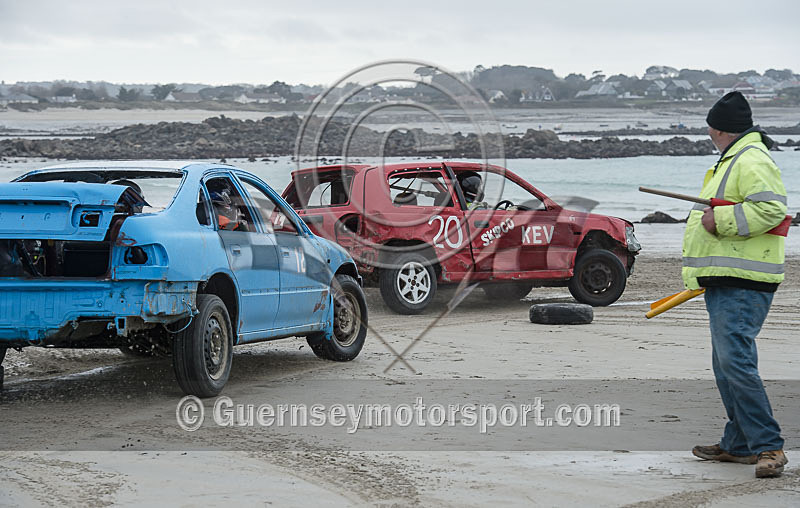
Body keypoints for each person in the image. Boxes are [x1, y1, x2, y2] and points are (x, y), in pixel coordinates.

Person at [684, 91, 788, 478]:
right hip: (727, 276)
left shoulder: (751, 158)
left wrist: (721, 222)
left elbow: (773, 208)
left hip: (745, 278)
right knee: (725, 363)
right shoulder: (735, 158)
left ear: (718, 129)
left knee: (735, 362)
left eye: (710, 127)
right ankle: (740, 443)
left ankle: (768, 446)